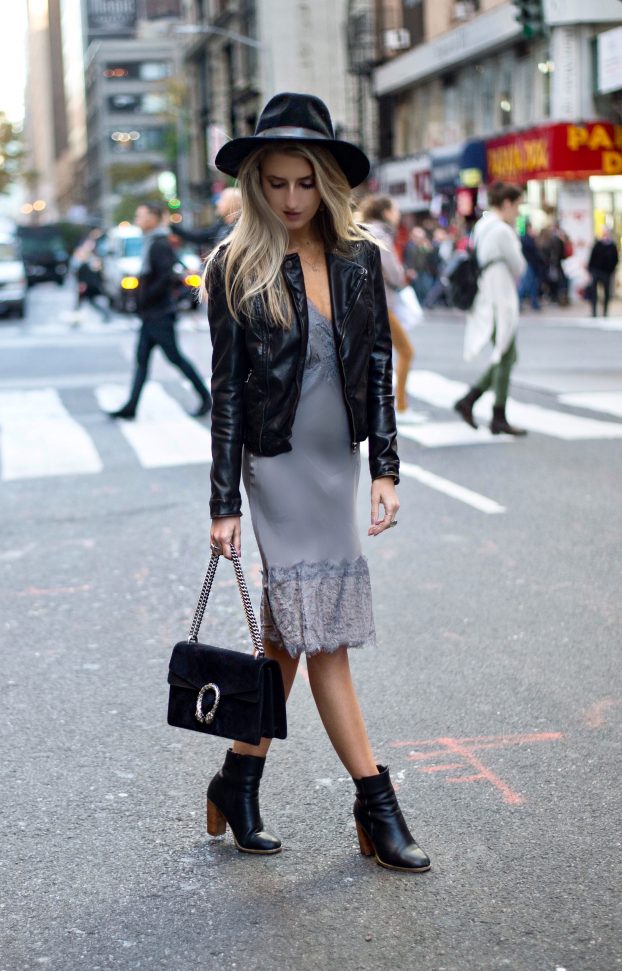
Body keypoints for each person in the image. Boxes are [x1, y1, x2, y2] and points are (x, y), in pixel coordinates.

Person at [202, 92, 430, 872]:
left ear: (327, 180)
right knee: (324, 634)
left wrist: (386, 469)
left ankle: (239, 776)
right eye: (276, 183)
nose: (292, 199)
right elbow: (227, 390)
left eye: (305, 182)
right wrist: (225, 501)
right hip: (278, 465)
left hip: (338, 461)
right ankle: (376, 804)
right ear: (256, 185)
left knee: (288, 634)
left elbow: (374, 368)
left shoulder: (360, 258)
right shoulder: (234, 265)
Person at [107, 202, 211, 419]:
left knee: (175, 358)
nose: (138, 220)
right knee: (142, 360)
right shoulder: (152, 242)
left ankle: (206, 397)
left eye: (141, 216)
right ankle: (131, 407)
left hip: (159, 314)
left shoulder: (159, 244)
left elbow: (165, 277)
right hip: (152, 314)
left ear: (154, 219)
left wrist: (145, 297)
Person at [453, 183, 527, 436]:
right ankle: (493, 413)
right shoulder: (502, 231)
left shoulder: (481, 226)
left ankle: (473, 402)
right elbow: (519, 266)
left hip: (486, 297)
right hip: (500, 299)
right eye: (517, 206)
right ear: (506, 203)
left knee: (506, 355)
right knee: (505, 355)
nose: (518, 212)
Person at [358, 194, 417, 420]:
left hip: (365, 303)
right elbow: (394, 273)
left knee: (370, 357)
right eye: (394, 210)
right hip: (380, 304)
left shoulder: (361, 230)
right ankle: (400, 406)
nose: (398, 214)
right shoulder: (379, 234)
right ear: (384, 212)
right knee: (406, 351)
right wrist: (403, 275)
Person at [171, 187, 242, 254]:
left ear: (234, 203)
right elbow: (198, 236)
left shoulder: (239, 230)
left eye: (222, 199)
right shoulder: (222, 225)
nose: (217, 203)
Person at [74, 243, 112, 322]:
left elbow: (87, 277)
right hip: (89, 287)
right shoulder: (85, 264)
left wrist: (83, 285)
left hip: (88, 287)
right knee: (84, 304)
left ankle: (76, 319)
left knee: (87, 303)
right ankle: (76, 319)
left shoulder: (86, 265)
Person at [587, 227, 619, 318]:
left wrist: (611, 270)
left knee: (606, 293)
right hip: (596, 271)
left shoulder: (612, 245)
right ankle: (594, 312)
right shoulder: (598, 244)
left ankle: (605, 312)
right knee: (594, 292)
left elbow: (615, 259)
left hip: (606, 273)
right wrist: (591, 270)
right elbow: (592, 258)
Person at [518, 222, 545, 312]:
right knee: (527, 284)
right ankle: (522, 302)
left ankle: (533, 303)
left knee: (532, 284)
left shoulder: (526, 238)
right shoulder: (527, 238)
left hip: (531, 264)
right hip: (529, 264)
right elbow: (533, 250)